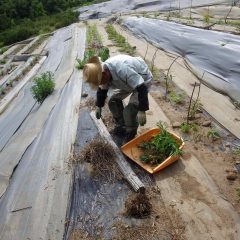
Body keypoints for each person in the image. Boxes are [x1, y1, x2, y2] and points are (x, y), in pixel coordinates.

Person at [83, 54, 152, 142]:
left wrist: (142, 109)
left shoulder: (123, 69)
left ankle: (131, 133)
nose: (102, 83)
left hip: (143, 80)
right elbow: (102, 90)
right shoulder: (103, 73)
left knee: (129, 111)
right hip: (125, 83)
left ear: (104, 73)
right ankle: (122, 126)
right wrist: (99, 106)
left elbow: (142, 88)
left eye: (101, 80)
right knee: (113, 102)